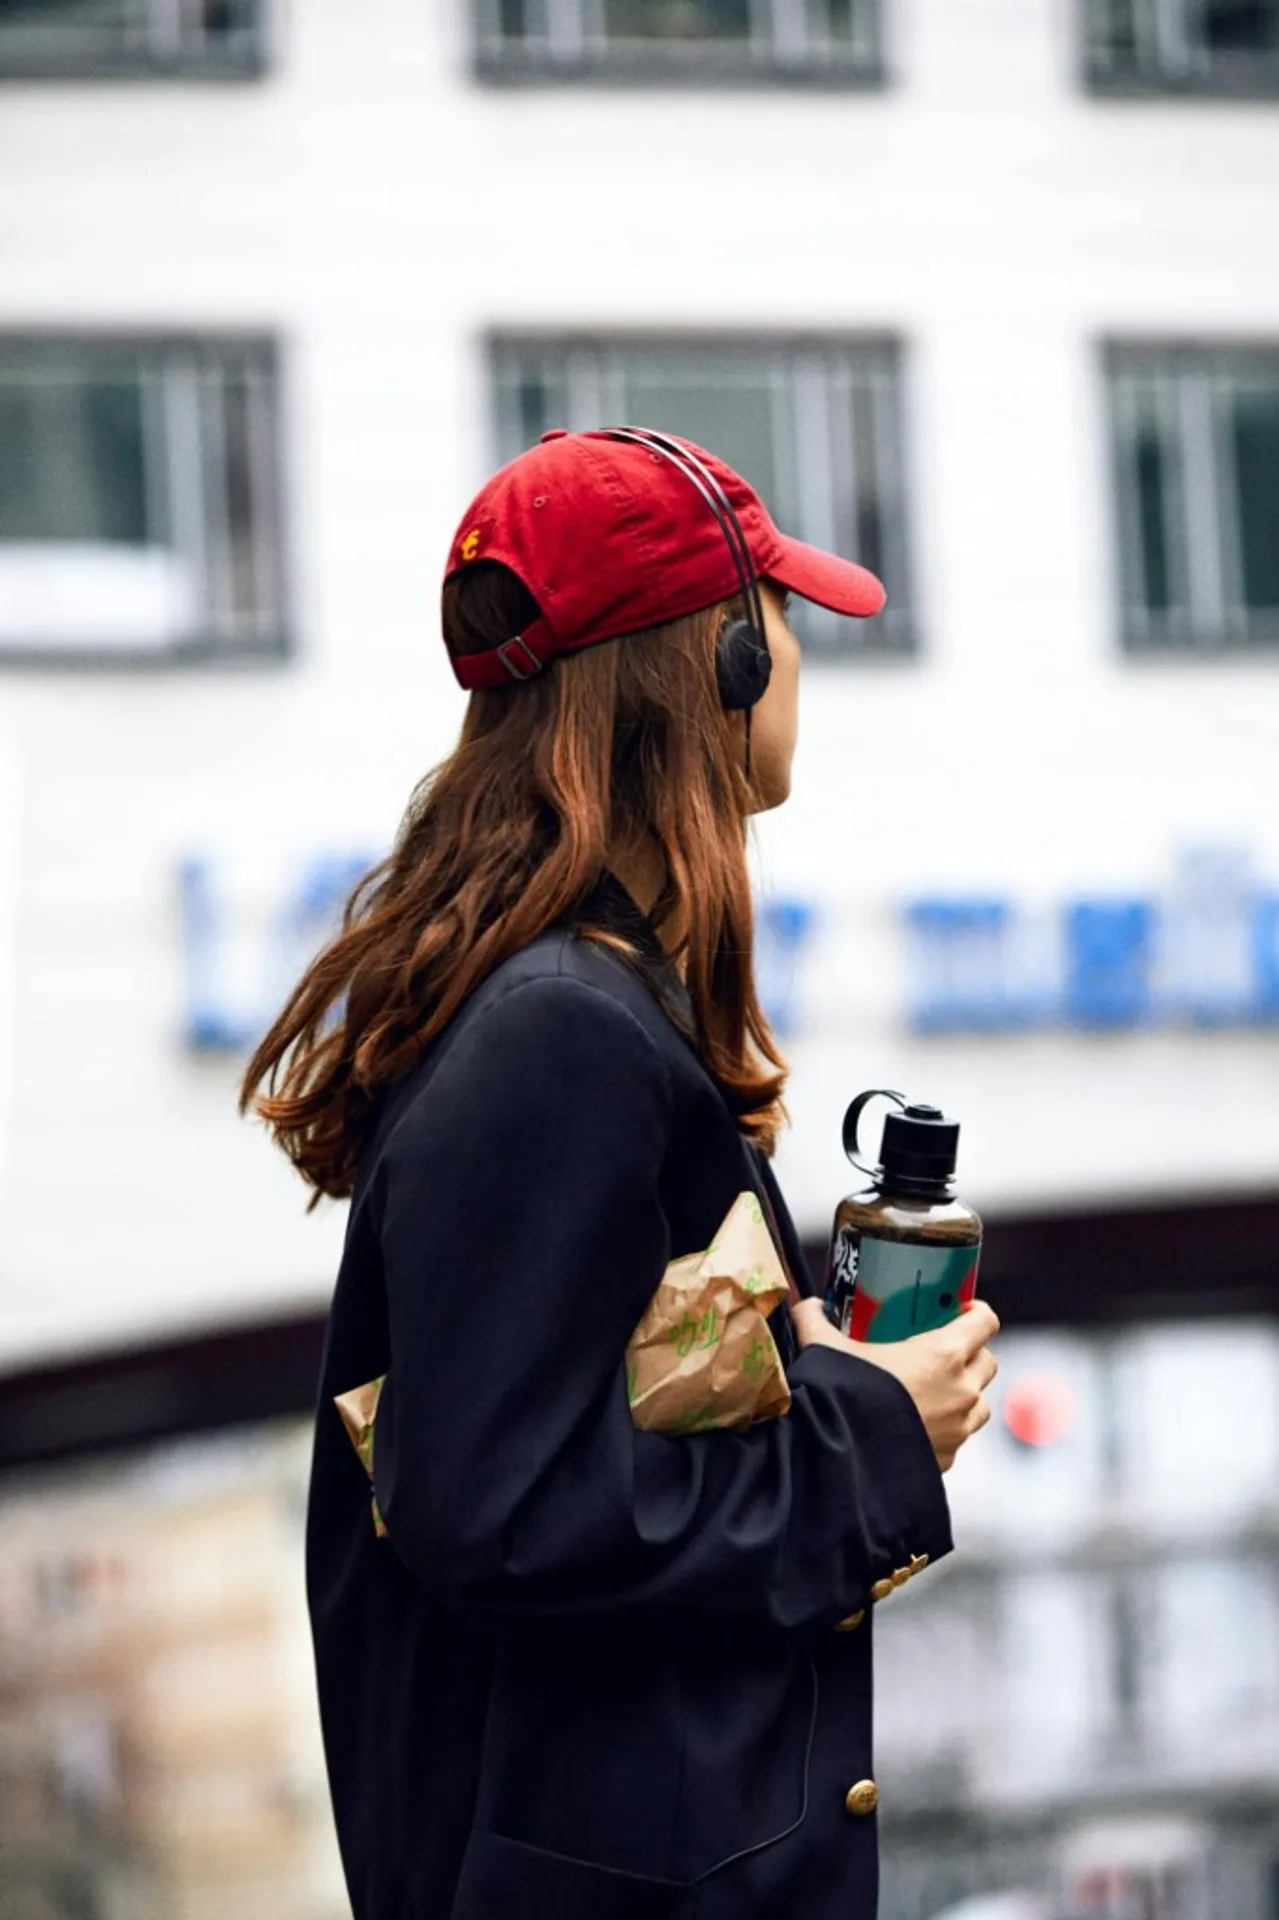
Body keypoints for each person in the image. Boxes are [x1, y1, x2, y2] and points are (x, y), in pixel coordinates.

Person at [240, 426, 1000, 1920]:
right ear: (715, 658)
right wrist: (867, 1431)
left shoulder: (565, 1007)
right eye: (780, 615)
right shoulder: (557, 1033)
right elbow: (498, 1508)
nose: (796, 654)